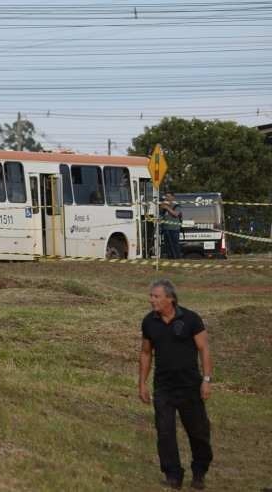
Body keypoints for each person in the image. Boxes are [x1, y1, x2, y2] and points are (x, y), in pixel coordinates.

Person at [139, 279, 213, 489]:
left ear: (170, 298)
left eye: (156, 296)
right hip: (163, 387)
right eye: (151, 296)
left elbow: (204, 349)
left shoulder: (191, 319)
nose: (151, 300)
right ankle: (173, 475)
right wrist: (142, 384)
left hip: (190, 386)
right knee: (164, 431)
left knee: (198, 432)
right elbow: (145, 353)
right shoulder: (149, 322)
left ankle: (199, 472)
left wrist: (206, 380)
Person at [160, 193, 184, 260]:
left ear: (173, 197)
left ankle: (177, 258)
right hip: (166, 228)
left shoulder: (177, 205)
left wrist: (167, 208)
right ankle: (170, 258)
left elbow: (176, 214)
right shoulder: (164, 205)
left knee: (175, 244)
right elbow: (160, 214)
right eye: (166, 196)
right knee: (167, 245)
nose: (166, 198)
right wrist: (162, 207)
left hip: (174, 229)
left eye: (168, 196)